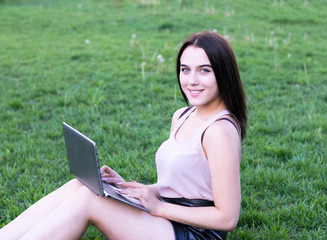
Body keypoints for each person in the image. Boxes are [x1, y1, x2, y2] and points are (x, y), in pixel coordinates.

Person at [0, 31, 247, 240]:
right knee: (82, 185)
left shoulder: (219, 131)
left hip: (196, 233)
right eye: (185, 69)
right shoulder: (183, 115)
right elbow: (186, 185)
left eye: (204, 70)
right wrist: (132, 189)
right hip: (170, 217)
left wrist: (159, 207)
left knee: (90, 200)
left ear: (222, 73)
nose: (192, 80)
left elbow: (226, 218)